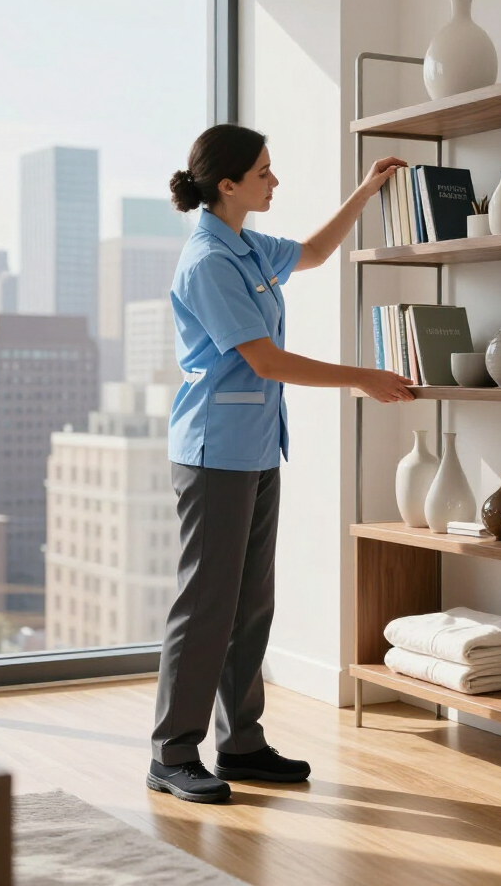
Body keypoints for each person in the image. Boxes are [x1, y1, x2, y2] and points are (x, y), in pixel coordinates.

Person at [147, 124, 413, 804]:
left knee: (250, 605)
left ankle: (241, 744)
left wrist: (367, 189)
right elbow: (265, 361)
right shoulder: (208, 260)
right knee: (206, 606)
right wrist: (363, 376)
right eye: (264, 172)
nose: (274, 181)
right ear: (228, 184)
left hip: (258, 447)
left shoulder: (246, 244)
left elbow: (317, 253)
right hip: (214, 453)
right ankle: (173, 754)